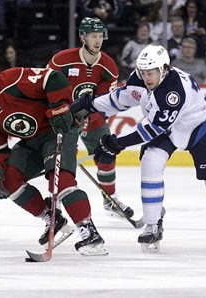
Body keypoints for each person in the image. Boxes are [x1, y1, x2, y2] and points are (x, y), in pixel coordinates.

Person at [70, 44, 206, 253]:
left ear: (164, 69)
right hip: (168, 128)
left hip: (201, 127)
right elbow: (123, 98)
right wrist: (89, 104)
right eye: (143, 72)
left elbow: (152, 129)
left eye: (151, 73)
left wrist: (115, 144)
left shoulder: (172, 91)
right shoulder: (141, 78)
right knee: (151, 161)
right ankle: (153, 224)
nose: (146, 78)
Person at [0, 52, 107, 256]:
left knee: (59, 180)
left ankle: (89, 232)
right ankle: (52, 218)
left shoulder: (13, 79)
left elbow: (53, 78)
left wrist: (58, 108)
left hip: (58, 130)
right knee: (8, 181)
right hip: (31, 142)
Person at [46, 17, 134, 220]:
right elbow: (47, 90)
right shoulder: (61, 60)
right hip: (64, 119)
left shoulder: (108, 66)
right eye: (93, 36)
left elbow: (104, 100)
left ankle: (110, 198)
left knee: (107, 153)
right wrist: (62, 115)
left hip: (90, 117)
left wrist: (88, 116)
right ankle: (56, 202)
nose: (97, 41)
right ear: (82, 37)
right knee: (63, 164)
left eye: (100, 36)